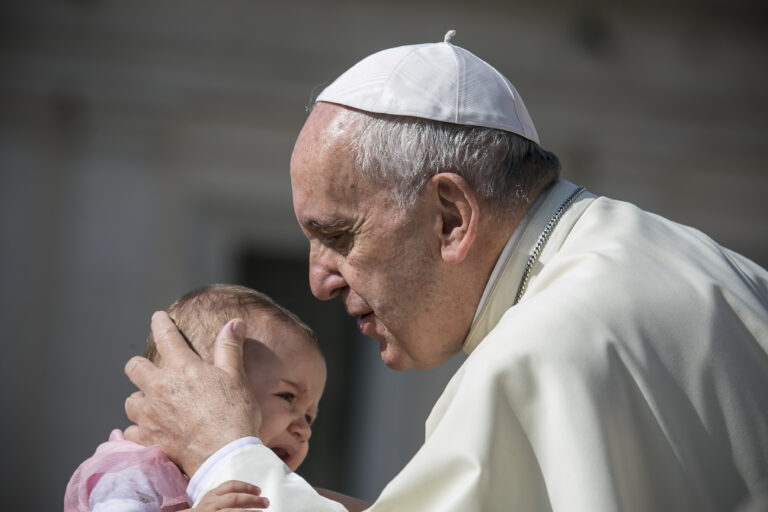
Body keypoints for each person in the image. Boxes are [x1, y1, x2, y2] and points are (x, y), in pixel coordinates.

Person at [124, 32, 768, 511]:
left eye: (339, 235)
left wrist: (225, 455)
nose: (321, 281)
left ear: (452, 217)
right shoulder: (724, 272)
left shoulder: (537, 357)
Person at [65, 283, 337, 511]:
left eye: (310, 416)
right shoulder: (136, 472)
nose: (304, 430)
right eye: (287, 396)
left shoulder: (271, 488)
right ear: (205, 387)